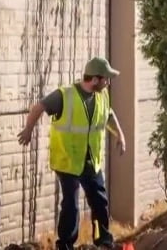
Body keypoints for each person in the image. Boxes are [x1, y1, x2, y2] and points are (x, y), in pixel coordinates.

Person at [17, 57, 127, 250]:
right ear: (95, 79)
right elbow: (39, 107)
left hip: (91, 160)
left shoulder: (101, 96)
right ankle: (65, 245)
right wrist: (28, 129)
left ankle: (103, 241)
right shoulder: (65, 95)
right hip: (67, 161)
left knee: (99, 202)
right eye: (106, 79)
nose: (108, 83)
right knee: (71, 204)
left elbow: (108, 114)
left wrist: (120, 134)